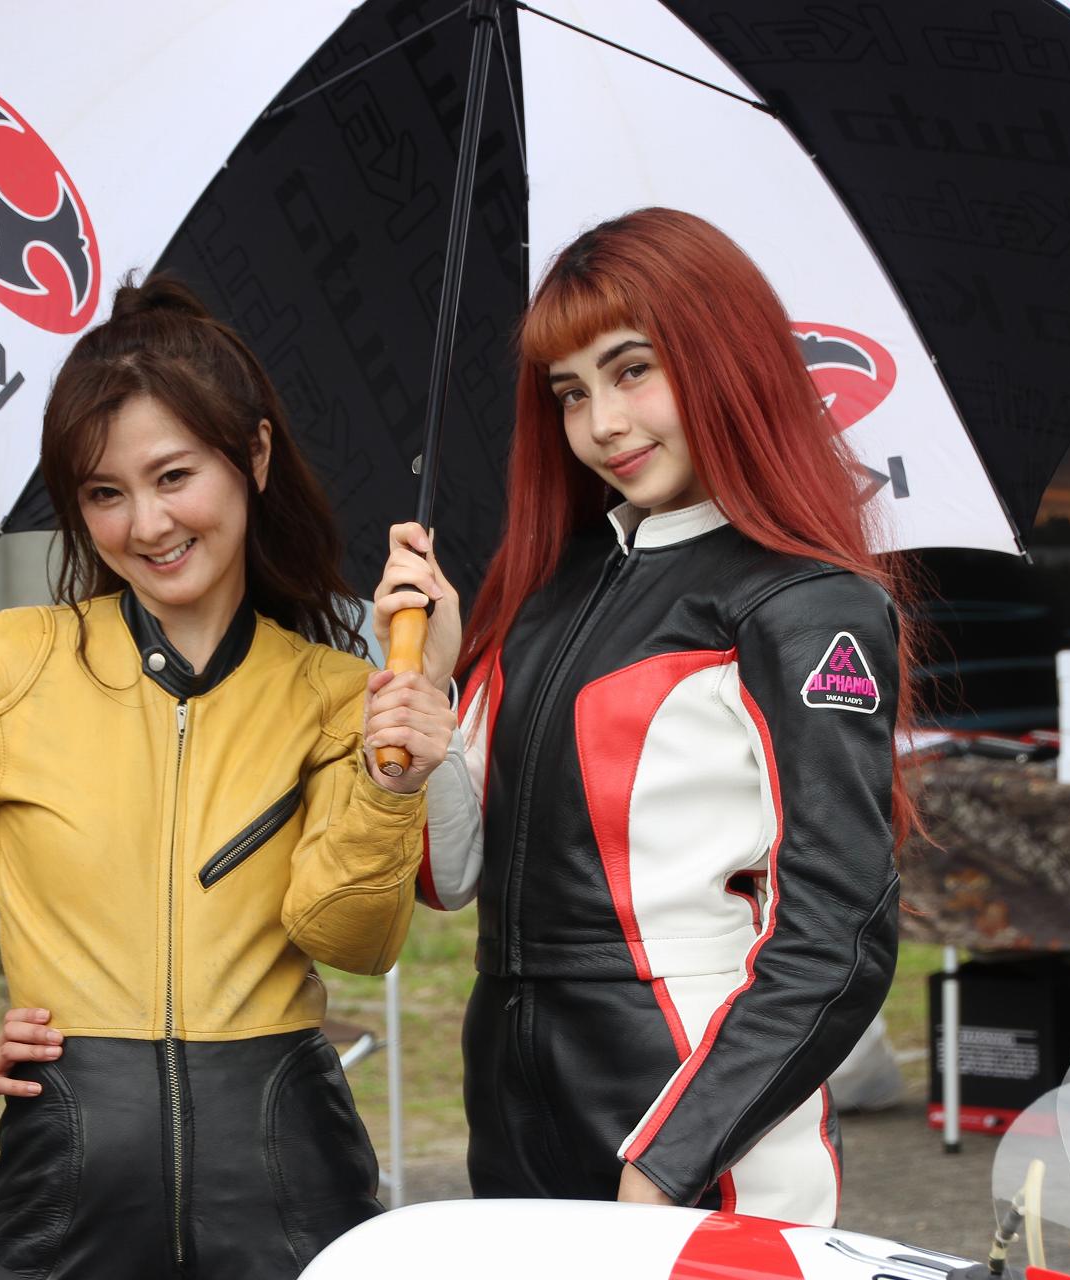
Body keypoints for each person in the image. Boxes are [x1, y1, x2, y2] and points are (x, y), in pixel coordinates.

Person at [0, 274, 457, 1280]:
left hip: (291, 1184)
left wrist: (392, 780)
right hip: (68, 1188)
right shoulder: (5, 666)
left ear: (254, 456)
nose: (147, 523)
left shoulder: (337, 692)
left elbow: (351, 940)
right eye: (104, 493)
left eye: (174, 475)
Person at [375, 208, 919, 1224]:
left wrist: (673, 1156)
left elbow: (839, 934)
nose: (603, 424)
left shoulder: (807, 604)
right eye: (571, 392)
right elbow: (451, 877)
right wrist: (435, 692)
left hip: (702, 1120)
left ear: (726, 359)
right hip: (515, 1103)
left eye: (632, 370)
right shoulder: (545, 588)